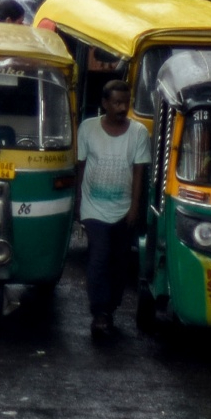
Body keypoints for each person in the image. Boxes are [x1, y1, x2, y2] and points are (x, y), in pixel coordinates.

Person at [77, 80, 150, 339]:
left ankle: (110, 307)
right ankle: (99, 312)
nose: (122, 108)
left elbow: (139, 172)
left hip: (123, 209)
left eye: (125, 103)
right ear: (105, 103)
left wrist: (134, 208)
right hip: (93, 207)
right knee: (99, 255)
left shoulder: (139, 133)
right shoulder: (87, 128)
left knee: (119, 262)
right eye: (116, 103)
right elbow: (81, 166)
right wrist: (77, 203)